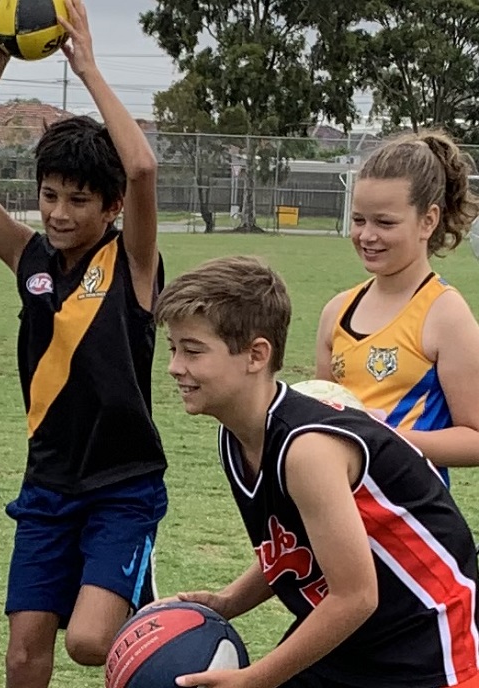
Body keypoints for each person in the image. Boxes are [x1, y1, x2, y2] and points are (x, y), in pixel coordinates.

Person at [0, 1, 168, 685]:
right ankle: (132, 594)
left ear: (111, 207)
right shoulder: (29, 259)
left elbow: (145, 170)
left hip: (123, 486)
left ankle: (150, 606)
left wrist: (87, 66)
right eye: (50, 196)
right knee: (24, 652)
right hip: (47, 483)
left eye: (79, 201)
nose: (60, 214)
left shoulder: (135, 264)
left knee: (91, 644)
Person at [157, 255, 479, 688]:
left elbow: (356, 596)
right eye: (173, 348)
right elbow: (294, 547)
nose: (176, 366)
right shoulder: (236, 433)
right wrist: (230, 600)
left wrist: (256, 678)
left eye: (193, 351)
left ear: (256, 355)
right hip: (352, 634)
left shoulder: (307, 450)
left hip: (423, 643)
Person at [315, 130, 479, 483]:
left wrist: (384, 439)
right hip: (338, 514)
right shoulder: (336, 311)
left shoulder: (446, 315)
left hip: (412, 522)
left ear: (428, 221)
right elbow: (322, 419)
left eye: (385, 222)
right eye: (359, 220)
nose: (367, 235)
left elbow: (476, 439)